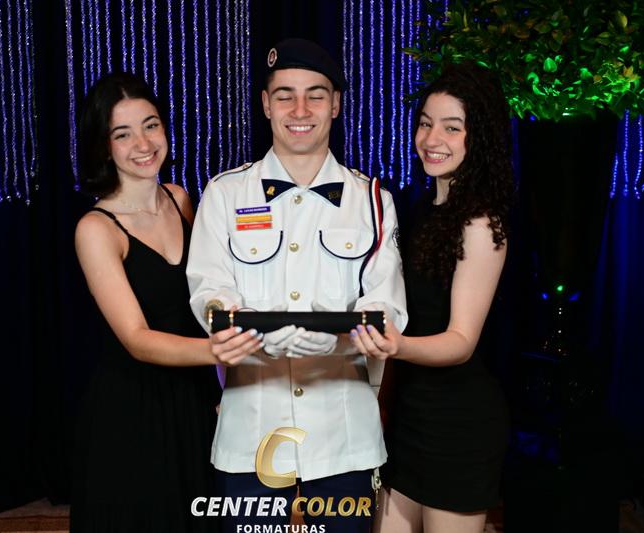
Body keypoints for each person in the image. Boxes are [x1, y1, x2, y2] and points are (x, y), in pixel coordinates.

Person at [187, 38, 408, 532]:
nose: (300, 110)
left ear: (336, 104)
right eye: (285, 95)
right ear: (266, 104)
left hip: (343, 438)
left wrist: (339, 340)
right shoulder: (224, 193)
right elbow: (208, 289)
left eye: (316, 94)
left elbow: (388, 305)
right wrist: (248, 331)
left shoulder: (372, 199)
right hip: (250, 433)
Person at [71, 72, 263, 533]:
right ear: (104, 146)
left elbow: (206, 301)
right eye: (123, 133)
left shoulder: (180, 199)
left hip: (194, 397)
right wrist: (218, 352)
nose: (143, 143)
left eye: (151, 125)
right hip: (133, 407)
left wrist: (224, 386)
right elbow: (137, 339)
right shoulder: (96, 229)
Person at [351, 62, 513, 532]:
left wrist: (396, 345)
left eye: (451, 127)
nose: (432, 138)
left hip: (458, 424)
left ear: (478, 137)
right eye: (425, 123)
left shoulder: (481, 223)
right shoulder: (419, 208)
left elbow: (461, 341)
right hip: (409, 417)